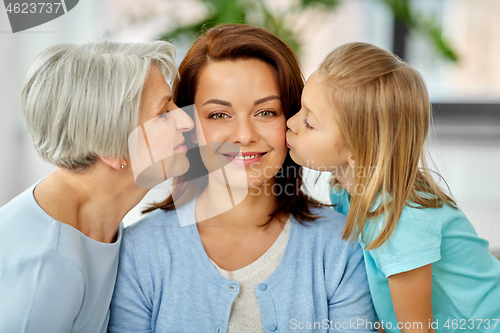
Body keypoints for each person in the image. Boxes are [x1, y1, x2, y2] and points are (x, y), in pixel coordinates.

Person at [109, 24, 377, 332]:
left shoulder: (342, 246)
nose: (245, 136)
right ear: (187, 124)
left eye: (265, 113)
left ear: (293, 120)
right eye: (219, 115)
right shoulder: (139, 250)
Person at [286, 42, 500, 333]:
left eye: (309, 122)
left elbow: (416, 329)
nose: (290, 123)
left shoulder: (399, 220)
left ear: (357, 149)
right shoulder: (343, 191)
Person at [0, 40, 194, 332]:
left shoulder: (97, 223)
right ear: (112, 150)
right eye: (163, 113)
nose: (186, 120)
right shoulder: (47, 266)